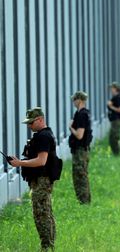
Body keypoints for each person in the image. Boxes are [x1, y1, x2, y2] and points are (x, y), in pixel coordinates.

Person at [10, 107, 57, 252]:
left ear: (40, 119)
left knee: (41, 215)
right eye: (28, 123)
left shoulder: (43, 136)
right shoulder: (44, 134)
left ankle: (46, 247)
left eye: (31, 122)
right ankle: (49, 246)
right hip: (41, 180)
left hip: (41, 181)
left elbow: (41, 161)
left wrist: (20, 163)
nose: (29, 126)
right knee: (46, 213)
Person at [69, 91, 92, 204]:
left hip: (80, 151)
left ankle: (84, 202)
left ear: (80, 100)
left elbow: (79, 135)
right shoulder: (79, 114)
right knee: (78, 176)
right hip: (78, 150)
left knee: (80, 176)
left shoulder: (82, 115)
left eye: (74, 99)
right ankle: (83, 201)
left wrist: (70, 128)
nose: (73, 102)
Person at [107, 82, 120, 155]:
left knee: (114, 137)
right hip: (114, 120)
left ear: (115, 89)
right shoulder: (115, 97)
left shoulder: (117, 97)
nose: (111, 90)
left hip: (116, 120)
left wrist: (111, 107)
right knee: (112, 137)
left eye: (112, 88)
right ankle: (116, 152)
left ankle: (117, 152)